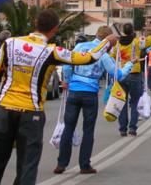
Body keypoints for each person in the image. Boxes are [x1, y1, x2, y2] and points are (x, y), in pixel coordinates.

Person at [0, 10, 117, 185]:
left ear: (35, 22)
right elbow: (88, 58)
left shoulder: (9, 43)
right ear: (55, 29)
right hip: (31, 113)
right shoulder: (52, 51)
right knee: (26, 168)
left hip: (4, 108)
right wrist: (106, 43)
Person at [54, 26, 134, 175]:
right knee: (88, 130)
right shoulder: (103, 53)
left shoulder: (79, 46)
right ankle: (84, 165)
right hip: (90, 93)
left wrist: (68, 81)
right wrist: (130, 64)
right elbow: (117, 74)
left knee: (68, 127)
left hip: (74, 92)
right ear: (108, 40)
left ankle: (61, 164)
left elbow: (67, 65)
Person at [112, 23, 151, 137]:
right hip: (134, 74)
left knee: (122, 101)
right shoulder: (137, 42)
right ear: (132, 31)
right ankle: (132, 128)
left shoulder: (117, 44)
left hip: (121, 75)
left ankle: (122, 129)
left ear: (123, 31)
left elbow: (112, 55)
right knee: (135, 101)